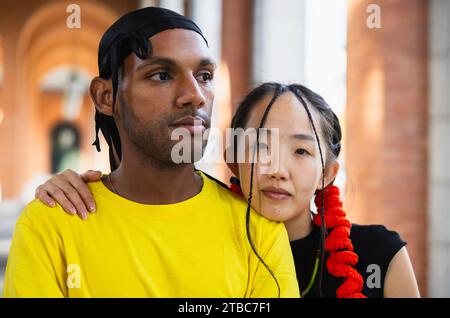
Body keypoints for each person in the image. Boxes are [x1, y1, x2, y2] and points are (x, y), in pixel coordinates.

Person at [3, 8, 299, 298]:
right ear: (106, 97)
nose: (195, 95)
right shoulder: (50, 225)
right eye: (161, 75)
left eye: (205, 75)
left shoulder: (257, 232)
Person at [35, 82, 421, 298]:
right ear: (234, 159)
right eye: (260, 147)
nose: (276, 169)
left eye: (301, 150)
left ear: (327, 172)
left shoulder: (380, 257)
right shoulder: (192, 245)